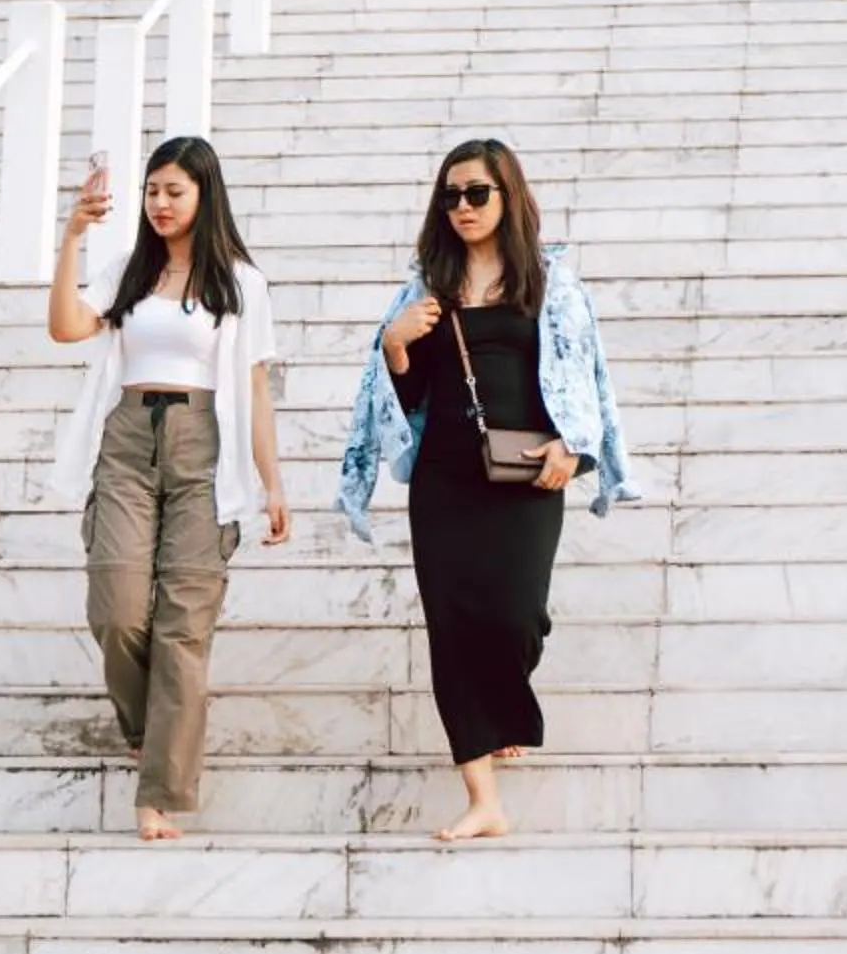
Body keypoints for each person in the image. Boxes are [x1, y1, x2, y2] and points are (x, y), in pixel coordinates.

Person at [336, 135, 636, 842]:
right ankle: (482, 798)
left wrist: (576, 450)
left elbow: (584, 376)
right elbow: (399, 395)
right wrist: (396, 343)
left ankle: (504, 692)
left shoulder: (550, 282)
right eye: (451, 195)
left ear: (509, 197)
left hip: (529, 468)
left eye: (477, 193)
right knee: (451, 625)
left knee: (515, 616)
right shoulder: (424, 288)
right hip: (444, 477)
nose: (463, 207)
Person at [48, 134, 290, 839]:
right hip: (126, 440)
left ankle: (158, 793)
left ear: (205, 196)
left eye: (173, 191)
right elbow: (66, 328)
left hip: (204, 450)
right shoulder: (128, 270)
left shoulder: (242, 283)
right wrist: (72, 237)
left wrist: (272, 484)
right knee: (117, 605)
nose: (159, 203)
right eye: (152, 190)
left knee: (184, 629)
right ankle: (145, 726)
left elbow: (254, 386)